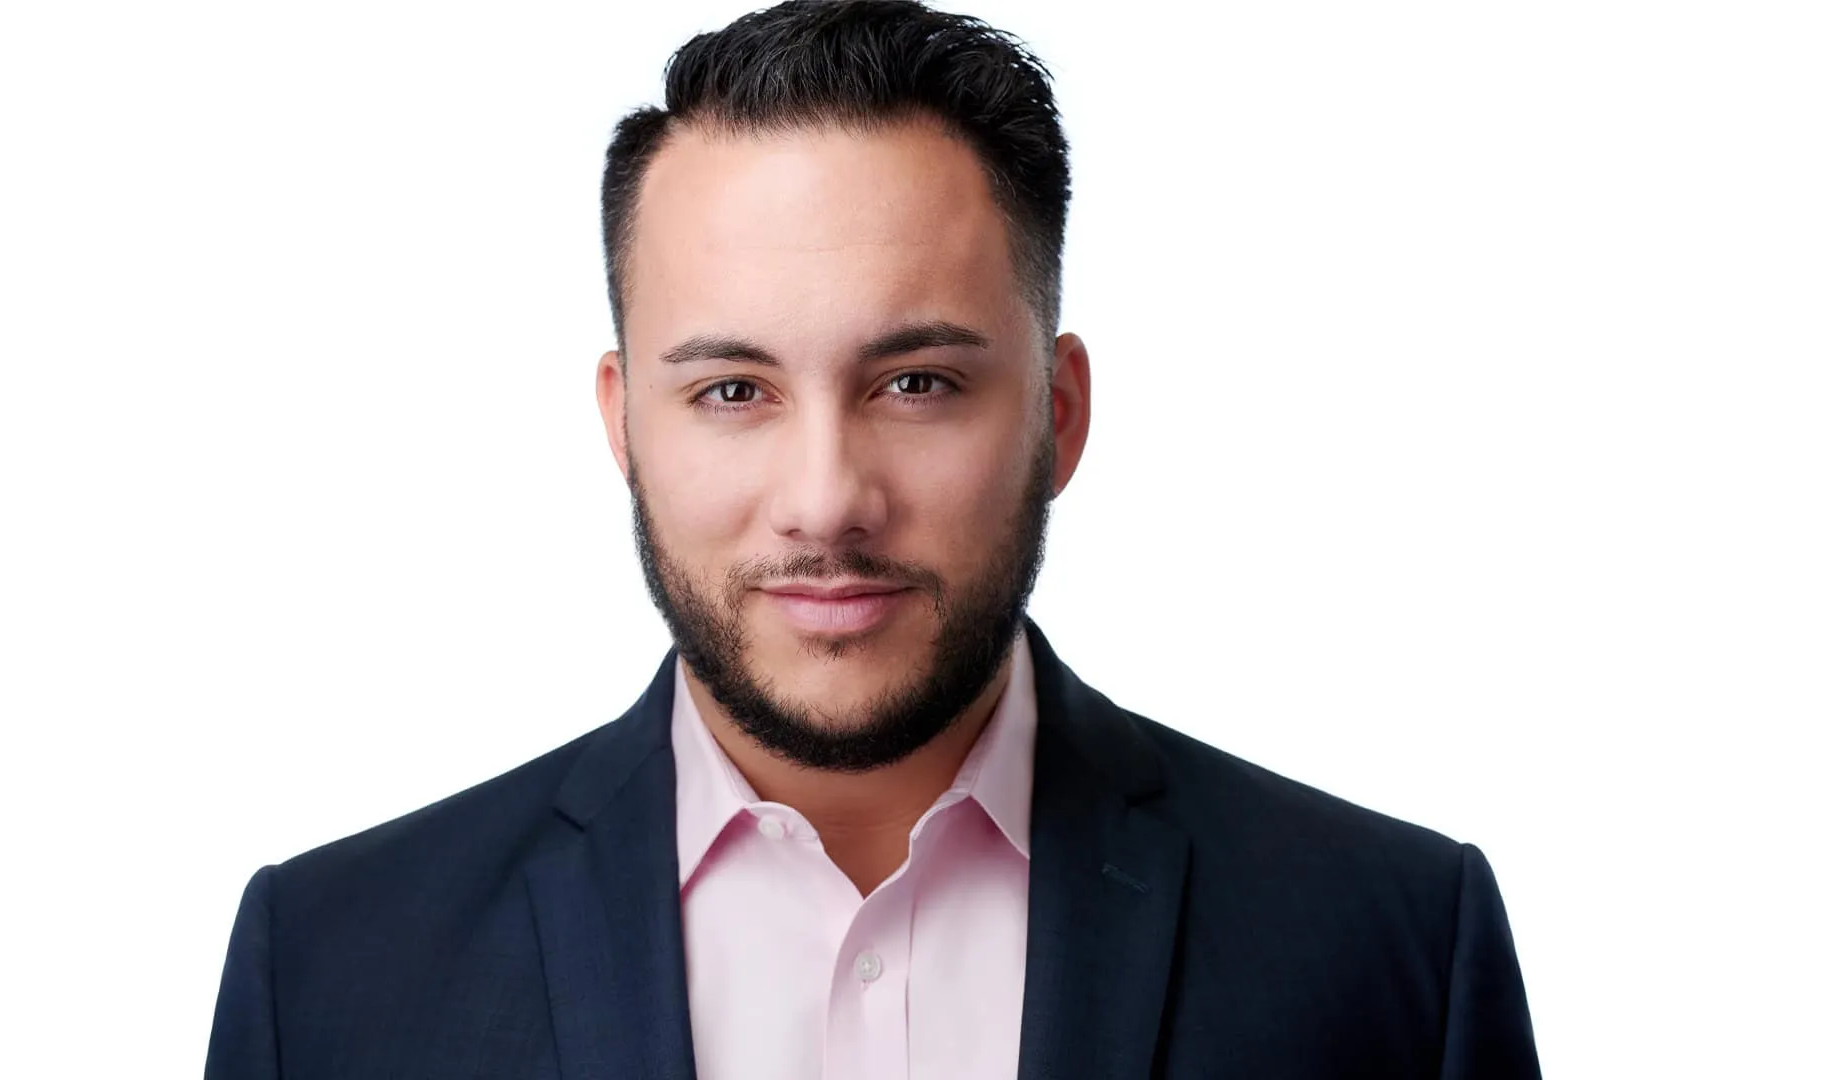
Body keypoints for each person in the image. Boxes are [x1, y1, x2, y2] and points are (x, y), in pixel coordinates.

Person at [205, 2, 1542, 1077]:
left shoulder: (1393, 953)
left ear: (1060, 415)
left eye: (916, 383)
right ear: (623, 425)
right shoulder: (327, 974)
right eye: (733, 391)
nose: (827, 498)